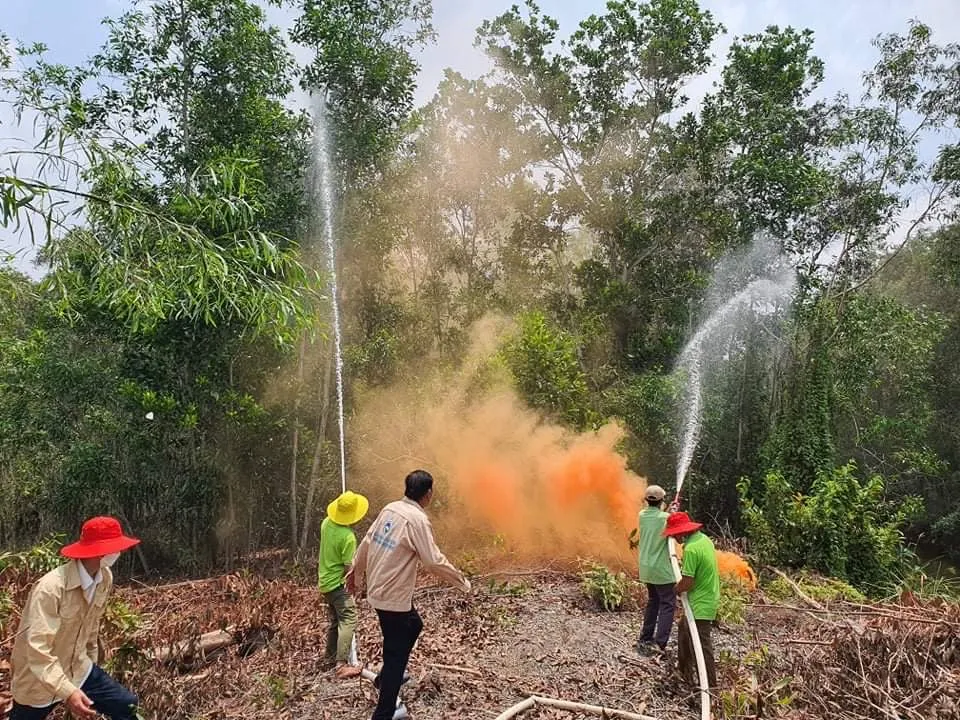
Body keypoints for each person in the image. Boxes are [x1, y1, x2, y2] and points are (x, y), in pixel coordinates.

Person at [346, 469, 471, 720]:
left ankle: (386, 678)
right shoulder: (417, 519)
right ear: (428, 494)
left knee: (414, 625)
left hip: (381, 591)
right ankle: (385, 711)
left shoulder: (390, 508)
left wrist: (355, 574)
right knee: (395, 654)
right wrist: (461, 581)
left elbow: (367, 542)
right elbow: (432, 560)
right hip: (392, 598)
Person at [9, 517, 141, 720]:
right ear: (99, 550)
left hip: (79, 668)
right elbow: (37, 649)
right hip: (37, 680)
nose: (119, 553)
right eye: (115, 549)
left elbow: (91, 627)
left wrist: (93, 664)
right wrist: (68, 691)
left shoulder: (104, 577)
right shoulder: (51, 588)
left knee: (127, 705)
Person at [662, 511, 720, 689]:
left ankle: (710, 687)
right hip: (708, 596)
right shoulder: (703, 540)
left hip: (700, 604)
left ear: (680, 532)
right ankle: (685, 673)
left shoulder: (691, 549)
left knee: (702, 647)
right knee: (683, 629)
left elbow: (687, 581)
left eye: (674, 533)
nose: (674, 537)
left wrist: (676, 588)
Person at [319, 490, 369, 679]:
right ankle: (341, 664)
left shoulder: (326, 523)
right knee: (349, 618)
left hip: (324, 582)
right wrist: (357, 585)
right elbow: (349, 568)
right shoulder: (347, 537)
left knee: (335, 620)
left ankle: (329, 658)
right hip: (338, 584)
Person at [637, 484, 676, 653]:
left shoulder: (642, 515)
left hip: (645, 567)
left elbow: (661, 518)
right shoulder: (665, 518)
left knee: (653, 601)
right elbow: (671, 521)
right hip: (661, 569)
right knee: (668, 604)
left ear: (646, 500)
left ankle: (646, 637)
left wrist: (670, 512)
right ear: (662, 501)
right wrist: (673, 512)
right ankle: (660, 643)